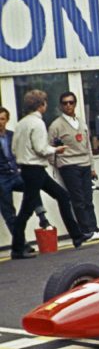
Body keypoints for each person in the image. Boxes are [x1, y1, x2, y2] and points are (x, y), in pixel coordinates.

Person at [11, 90, 90, 256]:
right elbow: (41, 148)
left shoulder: (21, 123)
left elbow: (14, 148)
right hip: (35, 168)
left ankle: (77, 235)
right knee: (27, 208)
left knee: (62, 196)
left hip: (28, 168)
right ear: (41, 105)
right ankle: (17, 248)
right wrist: (56, 150)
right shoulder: (38, 123)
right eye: (45, 102)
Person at [49, 91, 99, 240]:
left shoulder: (81, 122)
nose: (68, 105)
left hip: (85, 163)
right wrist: (58, 164)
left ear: (75, 104)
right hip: (69, 165)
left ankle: (94, 228)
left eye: (71, 102)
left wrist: (92, 167)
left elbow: (88, 147)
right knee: (78, 199)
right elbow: (50, 148)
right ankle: (86, 230)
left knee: (88, 198)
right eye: (65, 103)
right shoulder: (56, 125)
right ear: (61, 106)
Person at [1, 107, 45, 259]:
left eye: (2, 119)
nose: (0, 122)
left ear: (7, 120)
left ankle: (42, 215)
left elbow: (17, 151)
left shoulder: (11, 135)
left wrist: (20, 168)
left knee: (33, 187)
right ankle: (22, 244)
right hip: (1, 177)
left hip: (14, 173)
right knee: (9, 212)